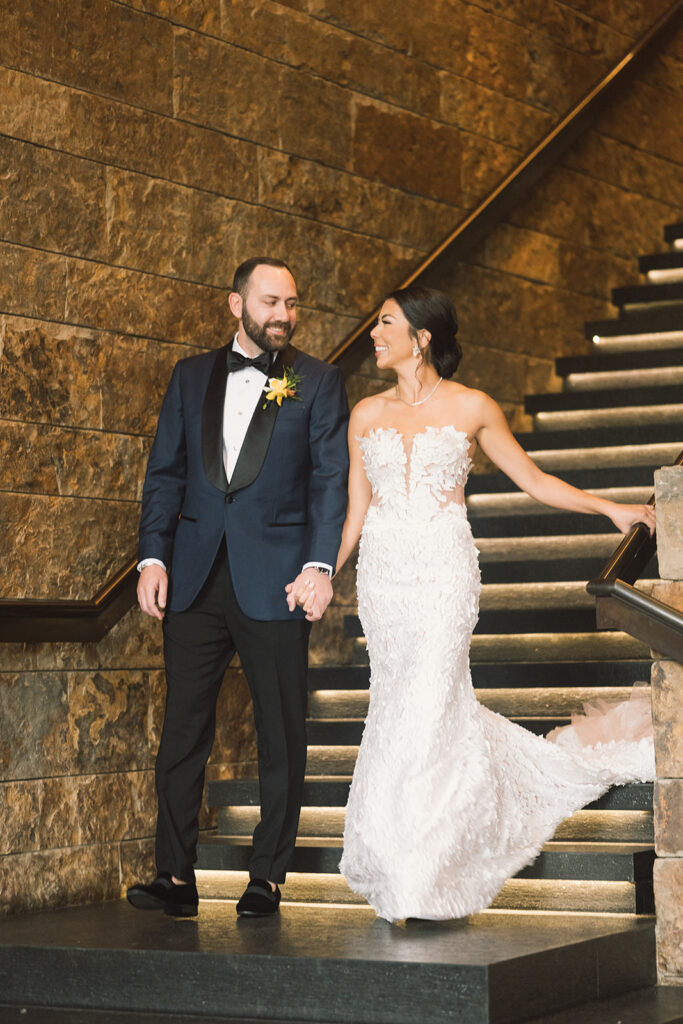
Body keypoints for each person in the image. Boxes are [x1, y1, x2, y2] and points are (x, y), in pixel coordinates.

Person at [291, 285, 656, 923]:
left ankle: (430, 873)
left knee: (433, 705)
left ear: (421, 337)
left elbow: (534, 480)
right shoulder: (366, 414)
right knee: (397, 708)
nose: (374, 334)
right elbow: (354, 513)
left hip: (442, 574)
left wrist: (611, 509)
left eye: (385, 324)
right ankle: (397, 856)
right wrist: (321, 573)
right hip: (384, 581)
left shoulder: (472, 407)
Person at [126, 257, 349, 918]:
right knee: (182, 730)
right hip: (193, 576)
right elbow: (165, 472)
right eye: (270, 301)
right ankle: (175, 877)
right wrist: (151, 559)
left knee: (280, 729)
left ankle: (267, 876)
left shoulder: (319, 379)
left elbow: (329, 479)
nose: (283, 314)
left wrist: (319, 564)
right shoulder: (190, 376)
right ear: (236, 305)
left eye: (292, 302)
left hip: (278, 578)